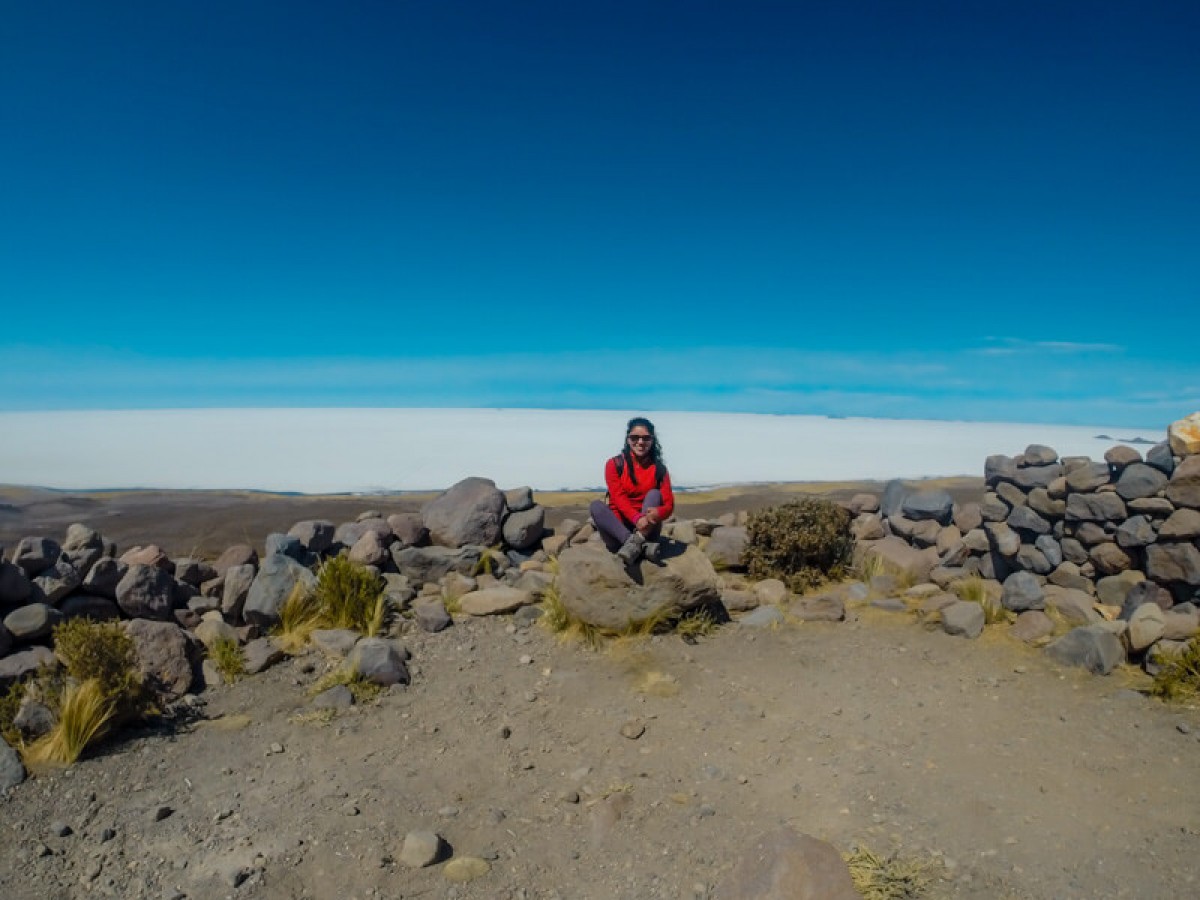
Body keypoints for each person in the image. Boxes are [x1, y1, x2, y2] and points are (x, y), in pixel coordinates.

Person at [589, 417, 674, 565]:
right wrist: (636, 518)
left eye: (646, 438)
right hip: (618, 532)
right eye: (635, 437)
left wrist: (658, 513)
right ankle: (638, 544)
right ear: (628, 439)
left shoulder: (659, 469)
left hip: (648, 529)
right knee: (596, 506)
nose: (640, 442)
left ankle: (638, 542)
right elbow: (618, 497)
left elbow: (669, 505)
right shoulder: (614, 464)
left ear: (652, 440)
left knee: (654, 494)